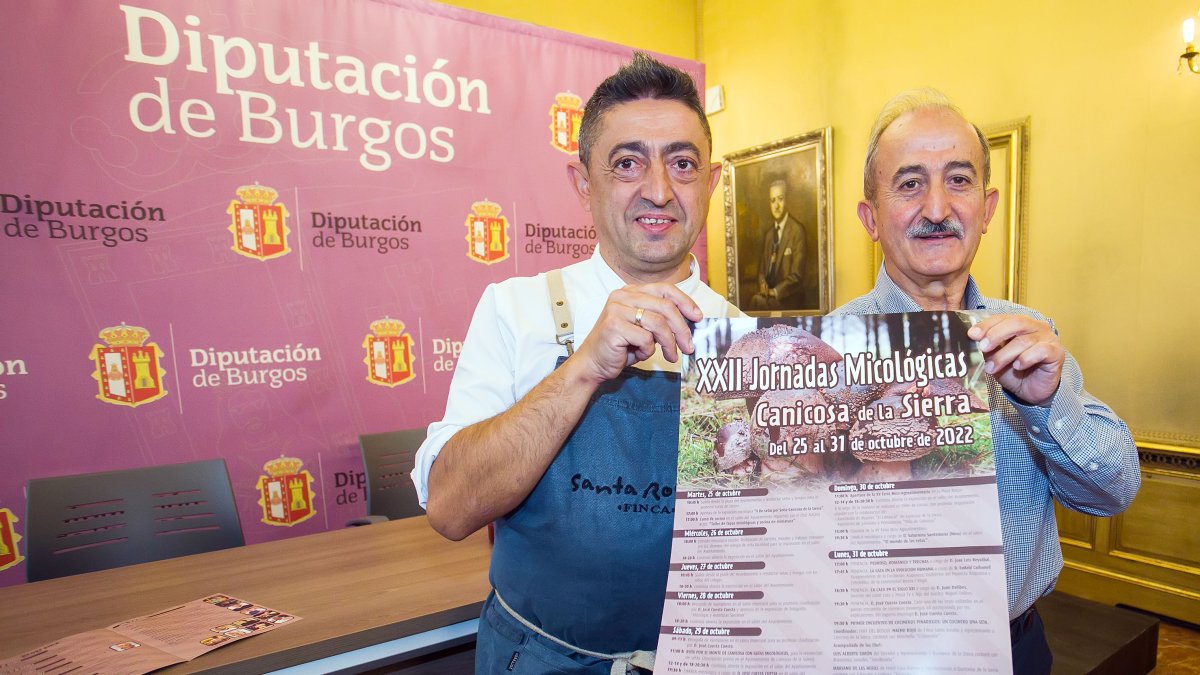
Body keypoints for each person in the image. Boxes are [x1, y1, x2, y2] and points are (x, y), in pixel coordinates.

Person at [412, 53, 740, 674]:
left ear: (712, 182)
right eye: (626, 163)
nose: (659, 190)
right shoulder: (515, 309)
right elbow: (450, 510)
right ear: (583, 183)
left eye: (683, 163)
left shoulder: (747, 341)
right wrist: (582, 368)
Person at [834, 88, 1141, 674]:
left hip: (1016, 650)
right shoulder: (820, 355)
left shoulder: (1027, 338)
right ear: (870, 218)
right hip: (874, 656)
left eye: (958, 180)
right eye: (908, 184)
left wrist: (1050, 403)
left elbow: (1111, 492)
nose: (936, 209)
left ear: (988, 206)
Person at [749, 178, 807, 310]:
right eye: (772, 200)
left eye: (780, 199)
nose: (776, 205)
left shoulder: (797, 231)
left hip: (789, 299)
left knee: (757, 302)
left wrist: (774, 292)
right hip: (769, 298)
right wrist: (763, 284)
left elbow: (797, 277)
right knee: (755, 301)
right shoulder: (769, 235)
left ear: (787, 200)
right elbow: (762, 271)